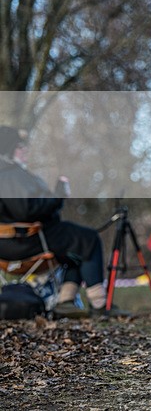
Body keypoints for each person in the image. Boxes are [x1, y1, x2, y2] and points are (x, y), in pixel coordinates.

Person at [0, 126, 127, 317]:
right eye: (20, 146)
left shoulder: (10, 174)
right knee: (89, 239)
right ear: (8, 149)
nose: (25, 149)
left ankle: (66, 301)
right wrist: (58, 195)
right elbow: (27, 210)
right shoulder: (12, 175)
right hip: (27, 242)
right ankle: (100, 304)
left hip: (9, 244)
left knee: (76, 249)